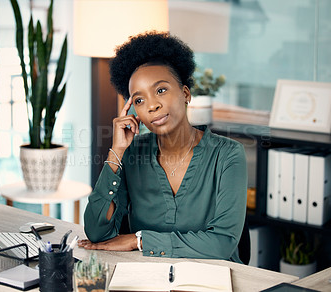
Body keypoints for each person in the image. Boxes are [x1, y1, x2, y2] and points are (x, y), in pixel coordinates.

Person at [78, 32, 247, 262]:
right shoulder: (131, 154)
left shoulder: (228, 155)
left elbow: (222, 244)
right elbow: (97, 233)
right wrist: (116, 152)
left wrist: (138, 240)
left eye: (161, 90)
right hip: (148, 276)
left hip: (212, 280)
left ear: (185, 93)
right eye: (139, 100)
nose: (152, 106)